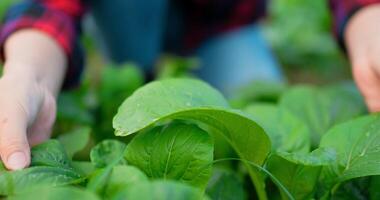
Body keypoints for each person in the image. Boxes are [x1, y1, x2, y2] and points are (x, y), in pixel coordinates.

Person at [0, 0, 378, 171]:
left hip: (218, 24)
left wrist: (368, 24)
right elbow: (49, 6)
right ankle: (137, 69)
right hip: (131, 12)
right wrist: (27, 73)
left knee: (266, 128)